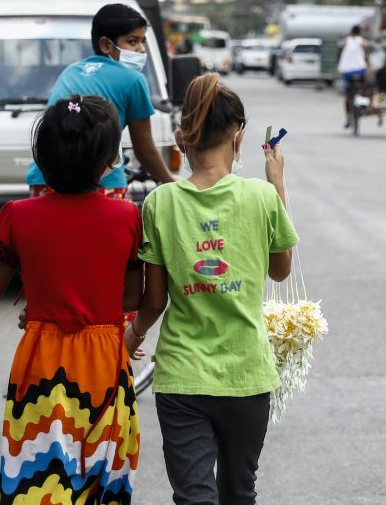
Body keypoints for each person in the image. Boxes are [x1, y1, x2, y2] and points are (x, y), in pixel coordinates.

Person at [0, 95, 142, 503]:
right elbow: (132, 296)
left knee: (39, 483)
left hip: (42, 363)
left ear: (41, 157)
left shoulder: (18, 215)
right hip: (105, 363)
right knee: (102, 481)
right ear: (107, 162)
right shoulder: (127, 218)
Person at [128, 73, 299, 505]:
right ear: (238, 133)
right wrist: (277, 182)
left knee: (193, 497)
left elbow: (154, 299)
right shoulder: (261, 197)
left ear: (184, 135)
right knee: (239, 493)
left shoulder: (160, 202)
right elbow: (280, 271)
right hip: (247, 377)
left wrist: (130, 336)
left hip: (182, 378)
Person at [26, 3, 177, 198]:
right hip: (103, 183)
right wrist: (169, 179)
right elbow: (145, 150)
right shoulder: (133, 80)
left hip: (47, 181)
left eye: (142, 42)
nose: (141, 49)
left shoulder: (71, 71)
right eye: (132, 42)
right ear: (106, 44)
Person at [338, 25, 370, 128]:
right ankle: (364, 105)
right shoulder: (361, 40)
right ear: (360, 32)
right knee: (365, 88)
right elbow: (366, 46)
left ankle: (348, 118)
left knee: (347, 96)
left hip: (346, 72)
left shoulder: (347, 40)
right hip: (360, 70)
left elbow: (341, 46)